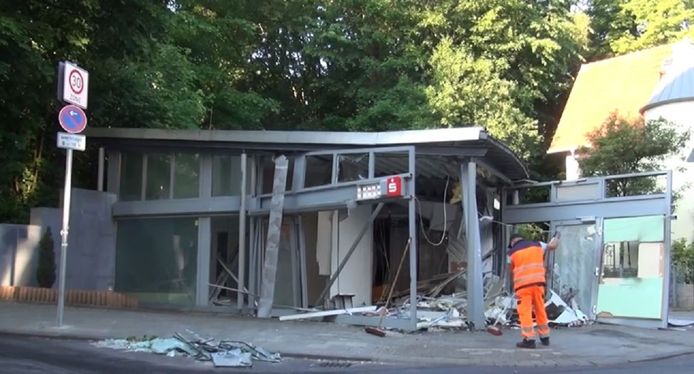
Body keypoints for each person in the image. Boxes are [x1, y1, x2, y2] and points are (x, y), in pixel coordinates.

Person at [507, 232, 559, 349]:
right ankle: (545, 337)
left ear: (512, 242)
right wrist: (557, 237)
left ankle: (529, 339)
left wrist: (512, 286)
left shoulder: (511, 253)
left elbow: (510, 271)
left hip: (523, 287)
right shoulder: (538, 245)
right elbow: (553, 246)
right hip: (538, 284)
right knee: (540, 309)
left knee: (525, 312)